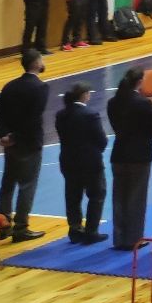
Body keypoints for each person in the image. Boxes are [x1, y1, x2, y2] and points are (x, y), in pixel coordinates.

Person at [106, 66, 152, 251]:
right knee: (136, 198)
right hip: (139, 155)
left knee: (119, 197)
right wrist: (145, 143)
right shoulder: (144, 103)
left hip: (119, 153)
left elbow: (115, 126)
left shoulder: (113, 102)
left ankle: (119, 238)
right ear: (140, 82)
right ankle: (134, 239)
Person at [56, 81, 108, 244]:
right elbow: (102, 140)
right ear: (85, 95)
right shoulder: (91, 114)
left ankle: (75, 230)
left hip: (68, 161)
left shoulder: (61, 114)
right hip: (90, 162)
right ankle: (92, 231)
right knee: (96, 195)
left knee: (73, 196)